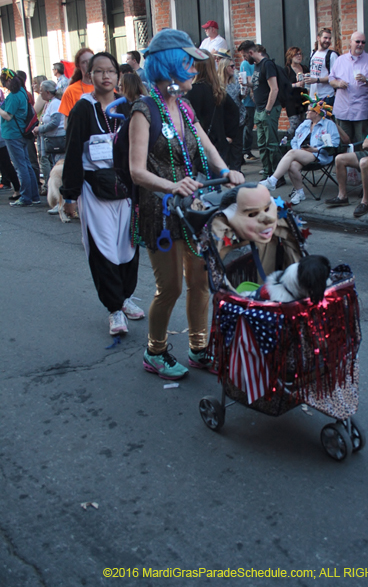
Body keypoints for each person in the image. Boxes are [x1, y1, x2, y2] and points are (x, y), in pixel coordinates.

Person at [128, 28, 244, 380]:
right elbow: (136, 171)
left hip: (192, 209)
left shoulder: (185, 106)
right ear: (170, 66)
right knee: (171, 288)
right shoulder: (143, 110)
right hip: (160, 212)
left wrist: (226, 170)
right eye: (188, 64)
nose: (195, 70)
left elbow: (207, 146)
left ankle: (198, 347)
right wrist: (172, 185)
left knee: (200, 280)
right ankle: (155, 351)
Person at [61, 52, 144, 336]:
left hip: (126, 189)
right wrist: (69, 196)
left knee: (129, 246)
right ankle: (114, 309)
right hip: (94, 191)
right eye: (99, 71)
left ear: (118, 76)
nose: (106, 76)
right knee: (103, 249)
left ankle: (125, 297)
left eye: (110, 71)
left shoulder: (130, 106)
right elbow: (73, 153)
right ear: (89, 75)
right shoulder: (83, 109)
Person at [260, 97, 340, 205]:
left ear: (316, 113)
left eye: (309, 110)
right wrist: (298, 151)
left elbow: (334, 143)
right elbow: (294, 140)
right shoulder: (305, 124)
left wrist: (315, 149)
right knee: (292, 165)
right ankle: (299, 193)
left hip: (318, 155)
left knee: (291, 154)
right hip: (301, 153)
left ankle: (273, 180)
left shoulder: (329, 124)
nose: (306, 112)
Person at [186, 51, 242, 171]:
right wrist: (228, 136)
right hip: (218, 145)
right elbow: (234, 112)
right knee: (214, 185)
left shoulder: (192, 91)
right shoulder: (217, 89)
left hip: (200, 148)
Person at [237, 40, 282, 178]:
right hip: (259, 109)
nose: (244, 60)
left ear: (251, 53)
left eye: (245, 56)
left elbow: (274, 88)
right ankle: (267, 172)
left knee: (272, 143)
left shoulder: (267, 64)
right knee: (262, 144)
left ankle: (276, 175)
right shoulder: (256, 66)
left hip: (268, 109)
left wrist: (268, 109)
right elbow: (258, 84)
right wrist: (247, 83)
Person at [328, 31, 368, 142]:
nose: (360, 44)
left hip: (362, 110)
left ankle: (361, 159)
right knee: (343, 143)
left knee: (362, 142)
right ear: (350, 42)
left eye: (363, 42)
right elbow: (331, 79)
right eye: (357, 41)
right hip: (343, 109)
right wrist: (338, 84)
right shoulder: (340, 60)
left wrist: (366, 79)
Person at [0, 68, 40, 207]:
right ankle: (34, 195)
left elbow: (8, 116)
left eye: (4, 82)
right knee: (26, 165)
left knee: (20, 167)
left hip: (12, 134)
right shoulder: (22, 92)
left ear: (9, 81)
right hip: (21, 133)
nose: (4, 85)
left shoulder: (14, 96)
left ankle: (26, 197)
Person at [33, 80, 66, 194]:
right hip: (52, 140)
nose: (39, 93)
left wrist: (40, 129)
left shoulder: (55, 103)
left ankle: (60, 197)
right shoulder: (50, 103)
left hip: (58, 141)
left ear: (47, 92)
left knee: (59, 170)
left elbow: (55, 123)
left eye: (41, 91)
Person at [217, 56, 246, 169]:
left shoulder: (236, 79)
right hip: (224, 119)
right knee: (224, 145)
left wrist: (244, 88)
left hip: (238, 116)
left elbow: (241, 96)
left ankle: (236, 169)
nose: (234, 68)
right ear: (224, 68)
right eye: (232, 66)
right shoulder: (218, 82)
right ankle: (225, 169)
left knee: (237, 145)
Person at [58, 47, 94, 127]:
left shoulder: (106, 86)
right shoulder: (71, 91)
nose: (89, 64)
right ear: (78, 66)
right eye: (84, 62)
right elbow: (67, 124)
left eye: (91, 61)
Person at [305, 28, 338, 106]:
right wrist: (306, 77)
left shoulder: (332, 55)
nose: (327, 40)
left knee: (325, 118)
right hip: (313, 97)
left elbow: (334, 76)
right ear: (318, 38)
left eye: (329, 38)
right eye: (325, 38)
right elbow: (315, 72)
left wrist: (316, 80)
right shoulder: (313, 53)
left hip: (326, 96)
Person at [284, 46, 309, 137]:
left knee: (305, 124)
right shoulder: (287, 70)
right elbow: (284, 86)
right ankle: (286, 141)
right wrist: (296, 85)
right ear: (291, 56)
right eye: (296, 54)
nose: (299, 56)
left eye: (300, 54)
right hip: (292, 101)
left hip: (304, 100)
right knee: (294, 125)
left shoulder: (305, 68)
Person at [238, 41, 257, 161]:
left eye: (244, 55)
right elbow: (248, 82)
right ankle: (246, 151)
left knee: (250, 125)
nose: (243, 58)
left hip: (254, 101)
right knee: (248, 126)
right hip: (249, 102)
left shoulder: (255, 63)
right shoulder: (245, 64)